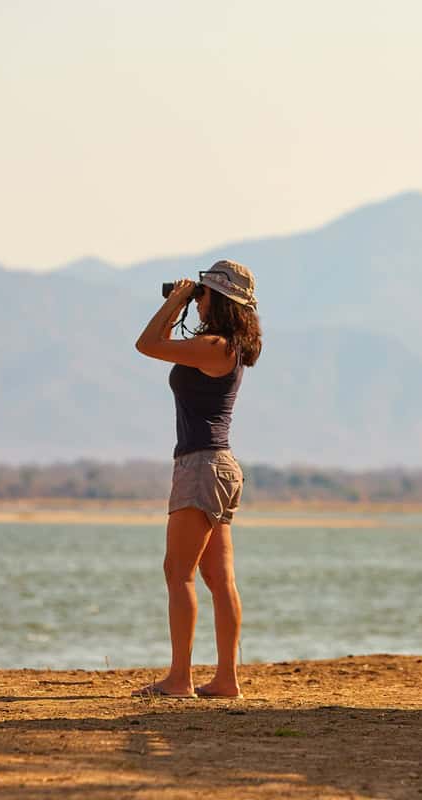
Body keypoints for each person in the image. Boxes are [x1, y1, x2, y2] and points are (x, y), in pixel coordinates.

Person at [132, 259, 261, 698]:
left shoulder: (215, 346)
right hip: (217, 466)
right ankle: (226, 680)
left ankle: (179, 679)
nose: (197, 299)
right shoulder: (228, 346)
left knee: (178, 572)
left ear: (218, 300)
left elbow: (147, 344)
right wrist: (186, 299)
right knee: (218, 579)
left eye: (203, 293)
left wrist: (174, 301)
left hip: (202, 467)